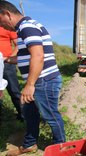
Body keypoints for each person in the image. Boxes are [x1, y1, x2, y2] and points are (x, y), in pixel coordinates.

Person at [0, 1, 66, 155]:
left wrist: (29, 85)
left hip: (44, 80)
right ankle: (30, 144)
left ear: (6, 14)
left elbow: (38, 55)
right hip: (39, 80)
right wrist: (8, 60)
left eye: (0, 21)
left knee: (50, 115)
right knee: (30, 113)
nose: (2, 27)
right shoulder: (25, 28)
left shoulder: (26, 27)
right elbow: (28, 56)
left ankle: (61, 147)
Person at [0, 26, 23, 122]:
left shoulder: (6, 26)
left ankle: (23, 116)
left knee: (14, 90)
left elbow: (18, 44)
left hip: (6, 64)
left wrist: (10, 58)